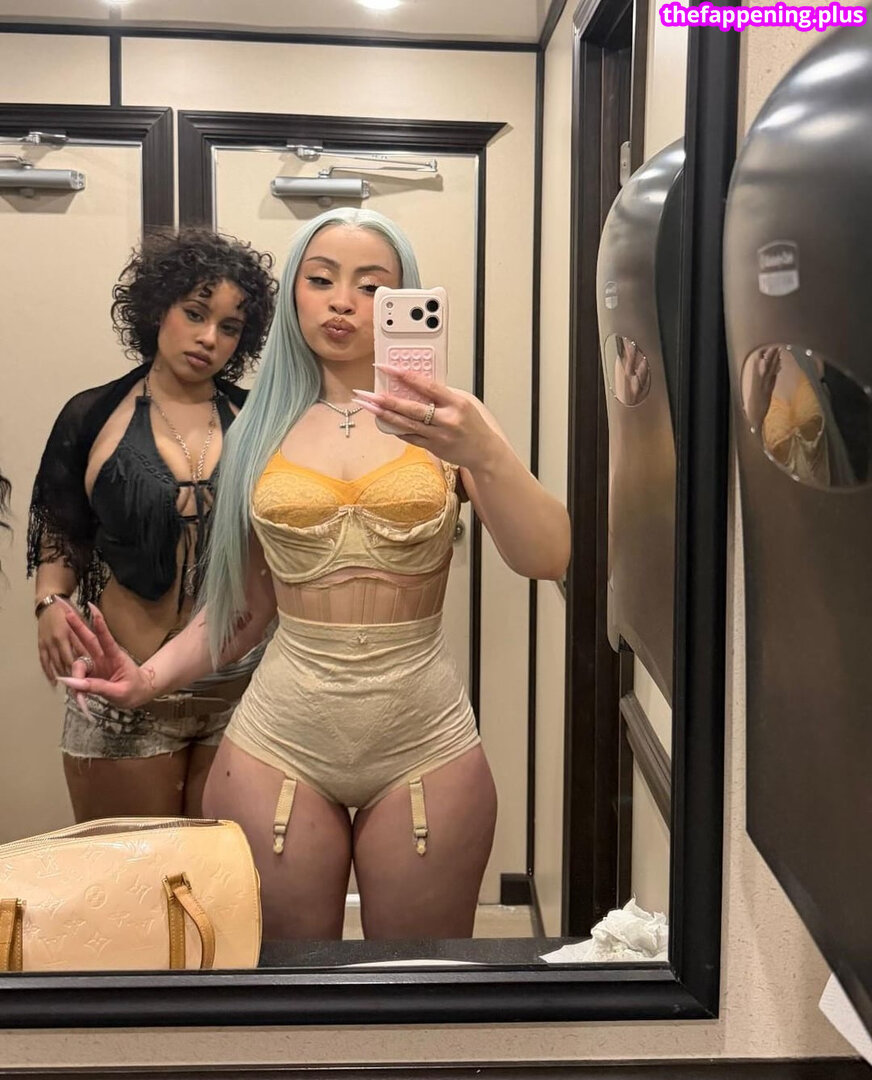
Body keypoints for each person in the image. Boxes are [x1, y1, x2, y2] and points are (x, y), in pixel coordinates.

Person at [59, 207, 570, 942]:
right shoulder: (258, 428)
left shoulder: (451, 423)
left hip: (425, 737)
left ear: (403, 299)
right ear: (294, 293)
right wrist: (147, 680)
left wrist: (484, 451)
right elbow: (246, 605)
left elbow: (548, 556)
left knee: (419, 981)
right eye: (321, 279)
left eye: (372, 287)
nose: (342, 303)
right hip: (280, 740)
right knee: (291, 989)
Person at [28, 228, 277, 822]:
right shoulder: (92, 415)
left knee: (230, 871)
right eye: (195, 313)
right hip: (122, 692)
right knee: (133, 869)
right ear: (157, 308)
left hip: (241, 691)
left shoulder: (258, 422)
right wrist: (49, 603)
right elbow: (63, 527)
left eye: (229, 327)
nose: (209, 338)